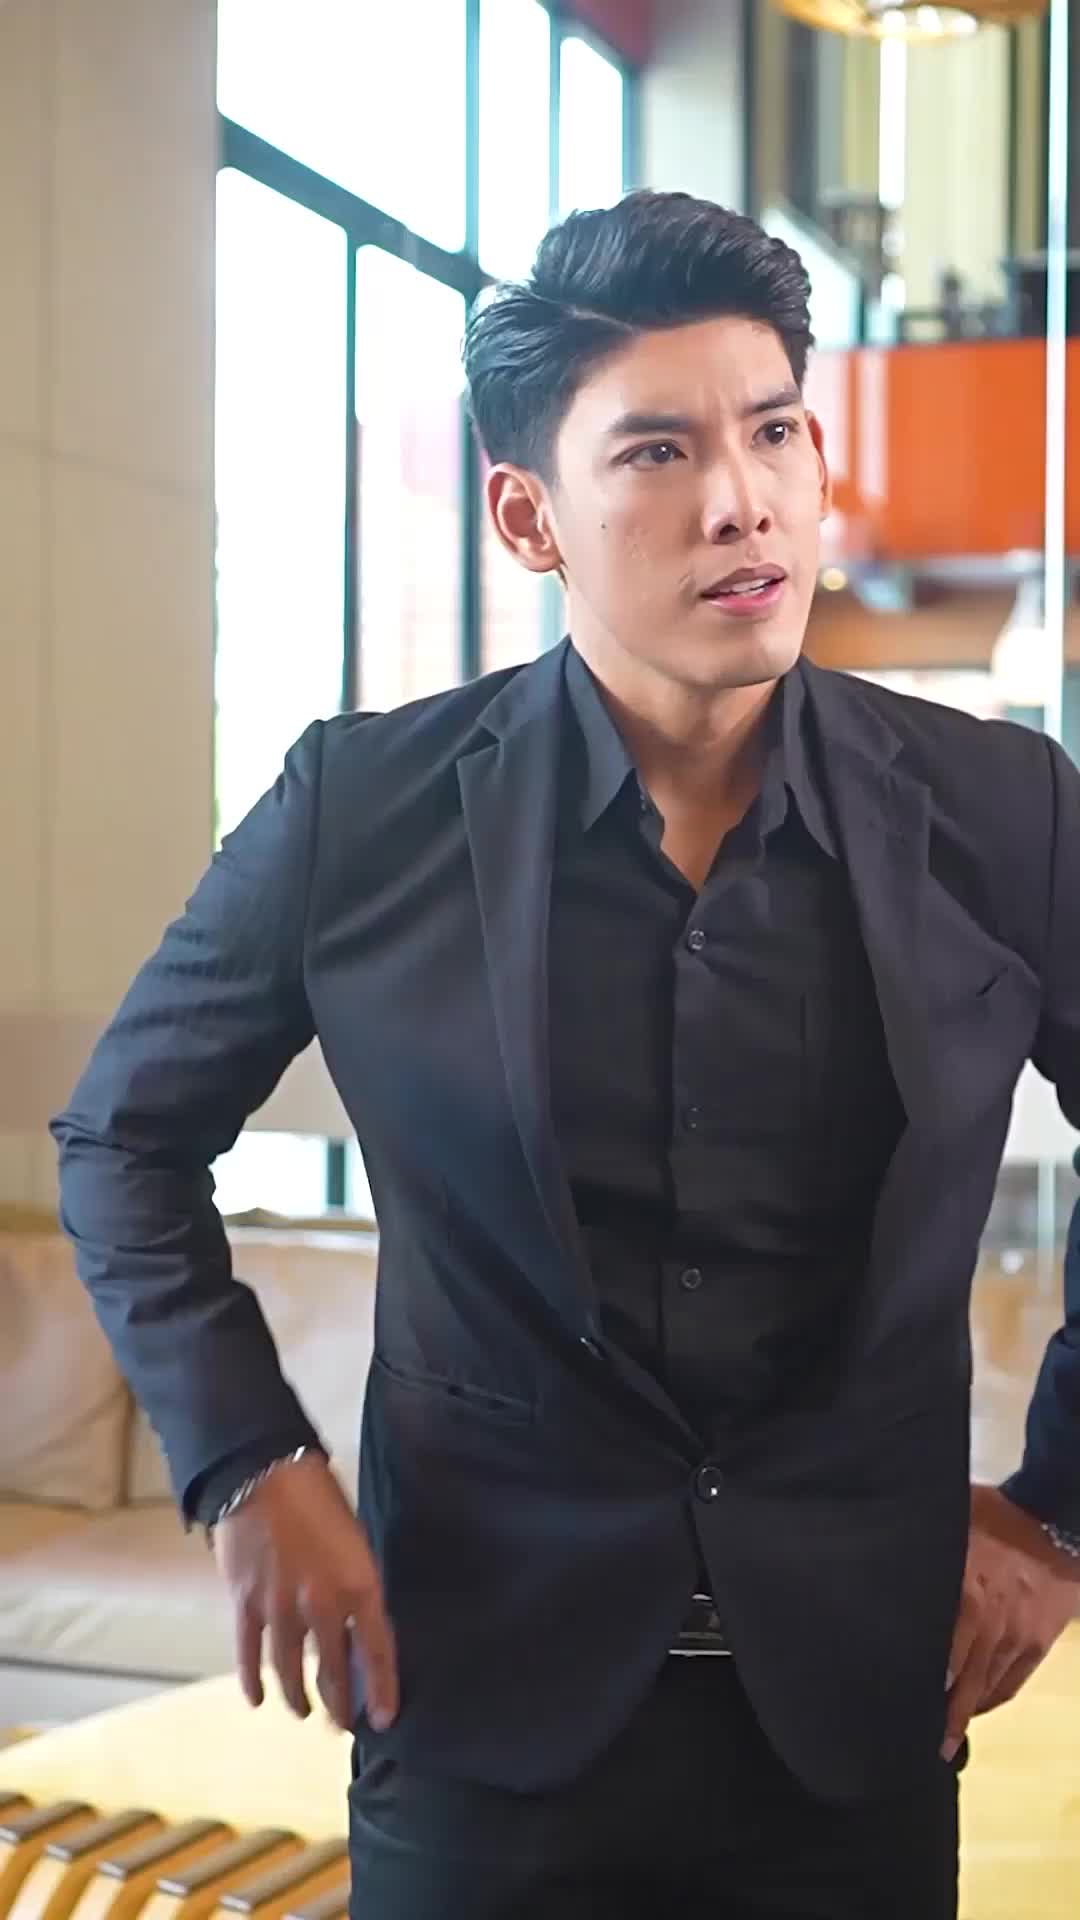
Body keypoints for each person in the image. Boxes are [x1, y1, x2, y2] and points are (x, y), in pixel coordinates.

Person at [52, 191, 1080, 1919]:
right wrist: (247, 1458)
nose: (740, 499)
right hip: (479, 1704)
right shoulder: (360, 811)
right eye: (659, 452)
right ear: (528, 516)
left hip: (862, 1711)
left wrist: (1058, 1511)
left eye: (774, 432)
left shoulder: (1003, 812)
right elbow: (121, 1139)